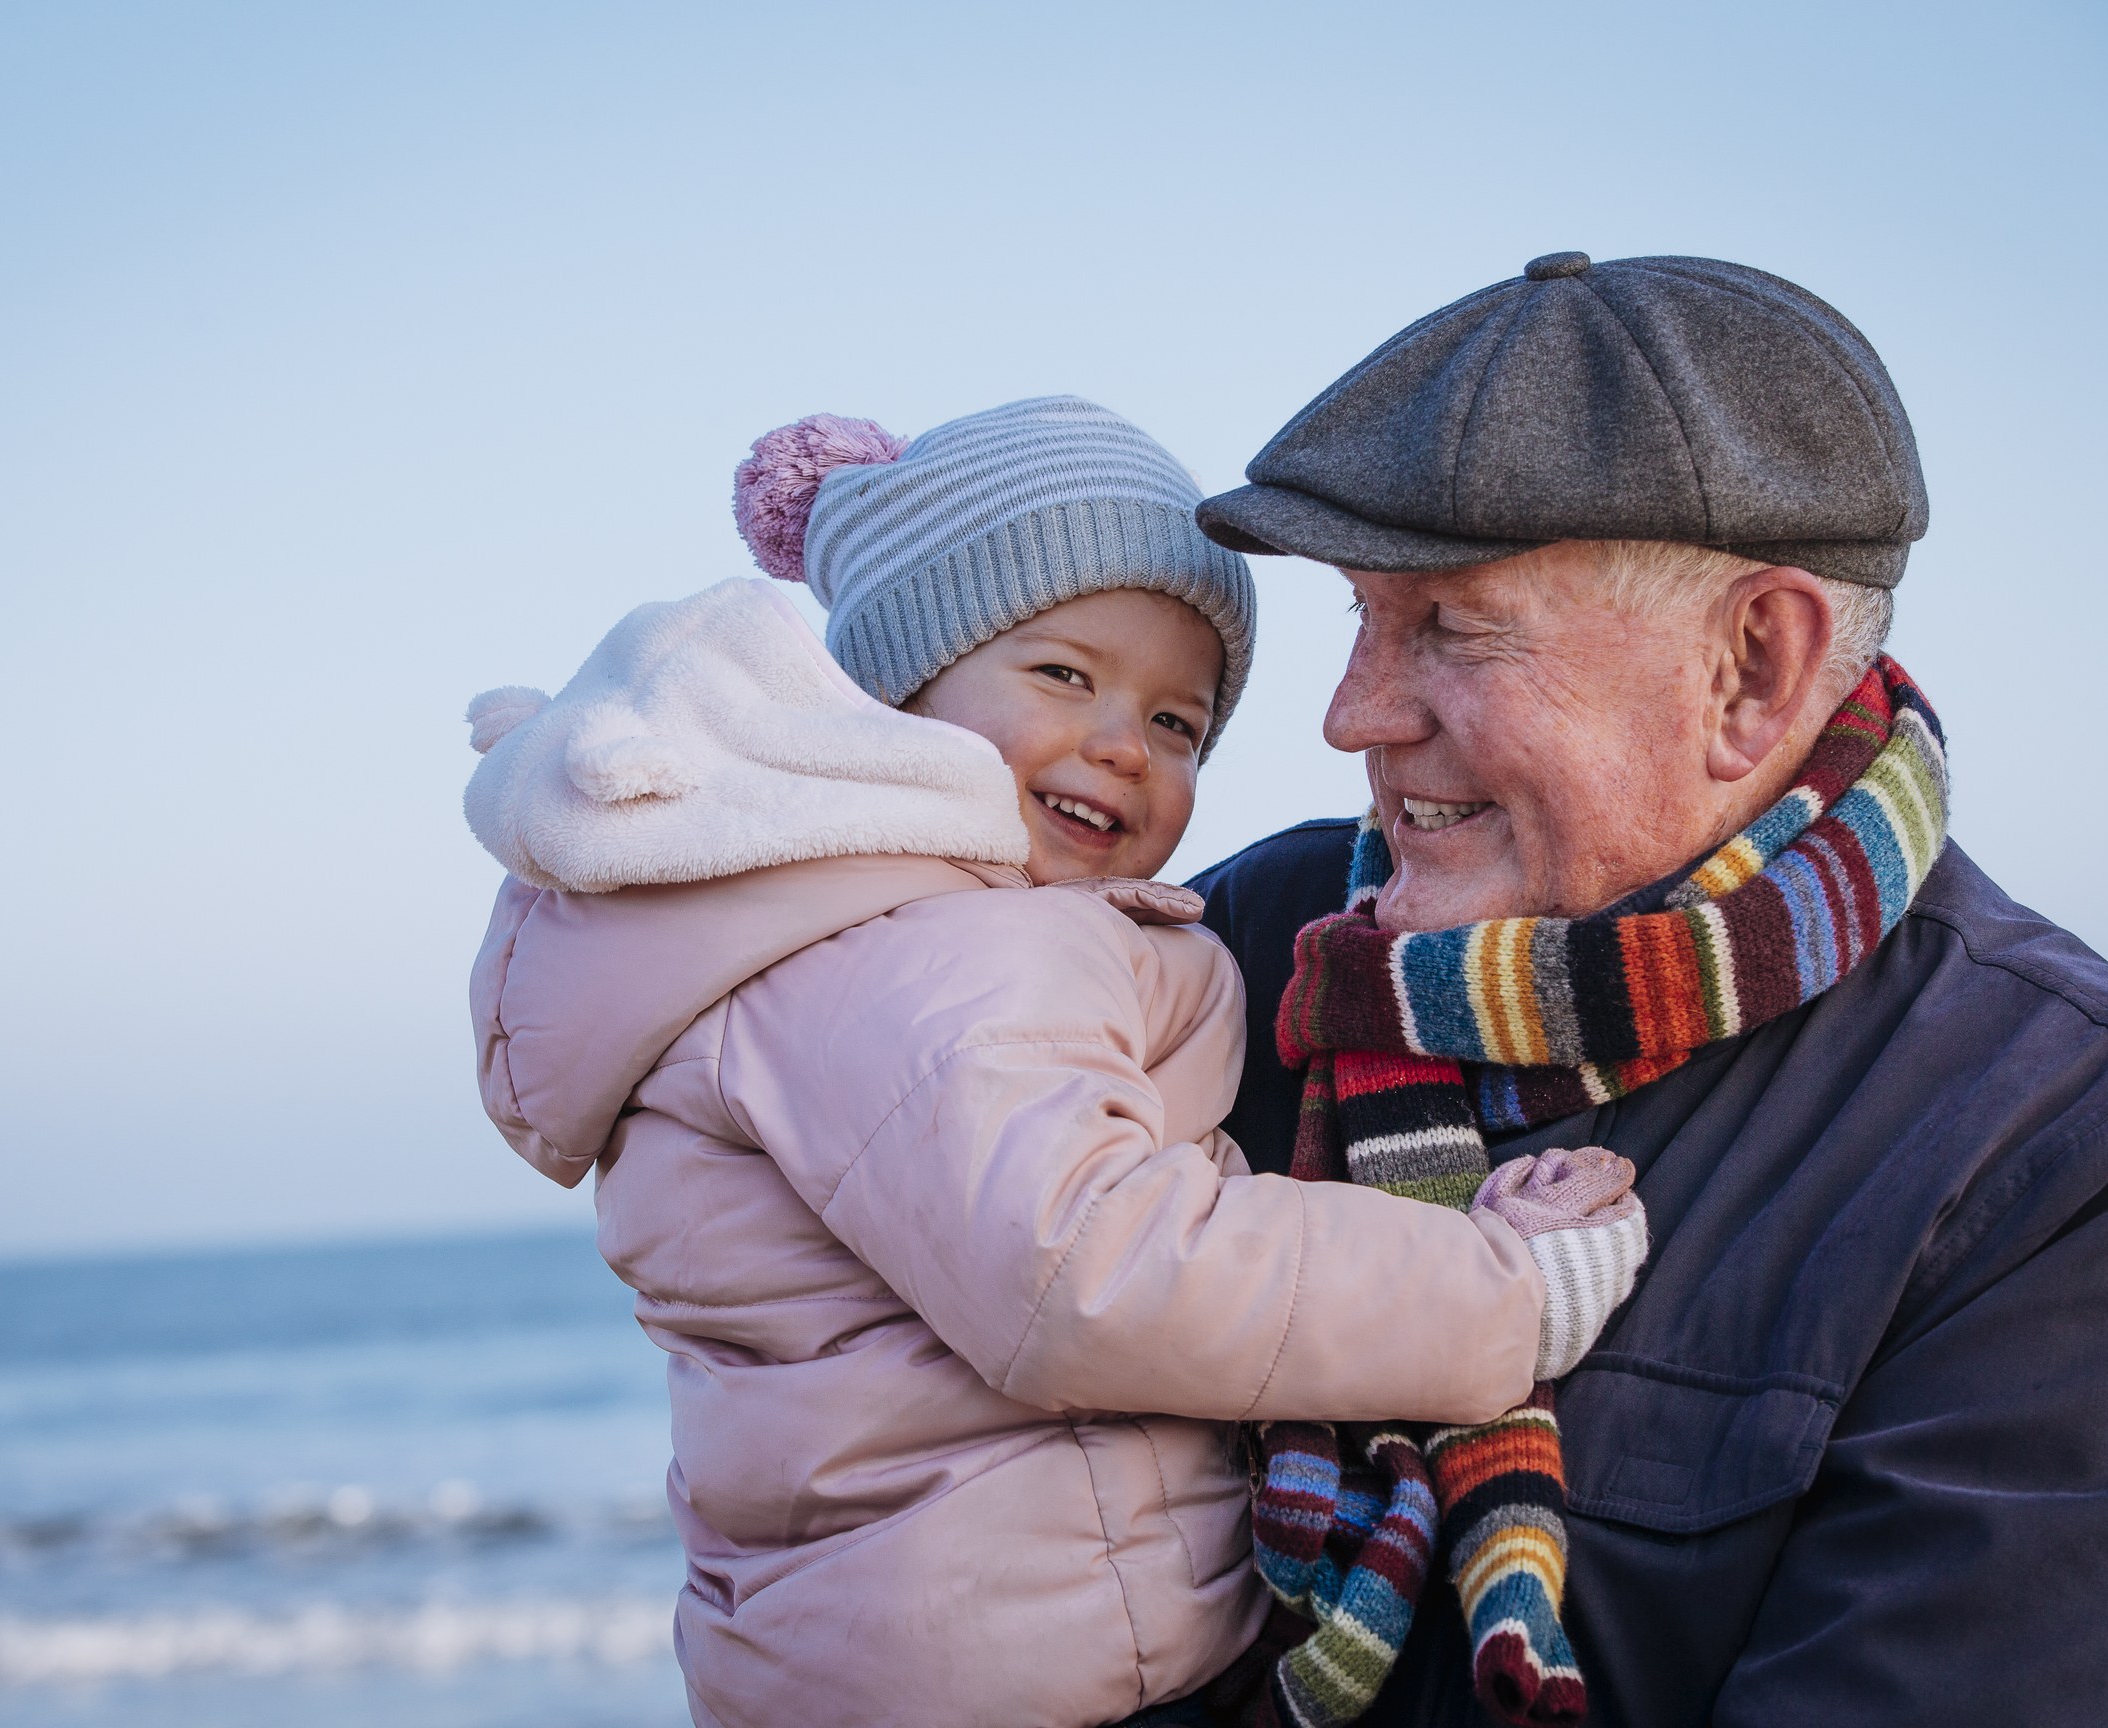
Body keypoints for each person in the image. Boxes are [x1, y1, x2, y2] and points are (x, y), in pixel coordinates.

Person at [1187, 253, 2108, 1726]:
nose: (1349, 716)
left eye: (1448, 627)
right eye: (1358, 620)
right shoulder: (1256, 937)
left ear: (1756, 670)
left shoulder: (2089, 1155)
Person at [457, 397, 1650, 1728]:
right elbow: (1094, 1269)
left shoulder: (835, 924)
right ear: (896, 691)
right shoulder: (924, 957)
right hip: (1013, 1675)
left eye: (1180, 722)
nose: (1122, 744)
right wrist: (1501, 1292)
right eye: (1064, 676)